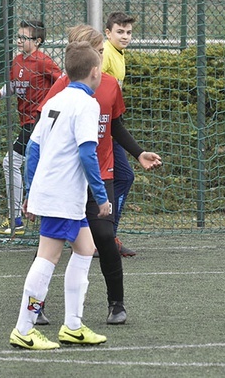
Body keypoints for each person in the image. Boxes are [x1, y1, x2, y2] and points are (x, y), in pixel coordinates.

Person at [39, 24, 162, 325]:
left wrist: (138, 153)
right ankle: (36, 305)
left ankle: (116, 304)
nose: (106, 55)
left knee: (105, 236)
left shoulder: (109, 86)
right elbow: (43, 133)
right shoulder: (62, 88)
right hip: (68, 178)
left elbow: (115, 126)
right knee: (50, 243)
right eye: (102, 51)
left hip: (100, 173)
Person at [9, 41, 110, 350]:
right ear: (95, 72)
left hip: (55, 192)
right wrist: (102, 196)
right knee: (47, 257)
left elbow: (34, 148)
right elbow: (87, 153)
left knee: (85, 247)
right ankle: (24, 329)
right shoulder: (87, 105)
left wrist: (31, 191)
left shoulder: (56, 99)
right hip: (64, 194)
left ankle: (73, 326)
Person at [0, 19, 62, 236]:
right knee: (40, 168)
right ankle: (42, 217)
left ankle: (17, 219)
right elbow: (14, 85)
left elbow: (64, 82)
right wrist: (0, 93)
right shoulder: (18, 61)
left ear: (37, 41)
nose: (19, 40)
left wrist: (47, 106)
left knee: (11, 162)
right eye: (18, 36)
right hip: (27, 122)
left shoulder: (44, 62)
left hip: (38, 122)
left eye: (24, 37)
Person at [101, 11, 138, 256]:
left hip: (110, 130)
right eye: (120, 32)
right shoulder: (105, 54)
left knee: (121, 179)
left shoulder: (119, 54)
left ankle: (105, 237)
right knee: (120, 179)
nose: (125, 36)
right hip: (101, 133)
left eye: (128, 33)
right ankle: (103, 237)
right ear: (108, 33)